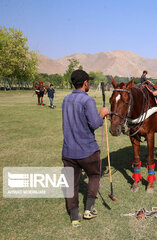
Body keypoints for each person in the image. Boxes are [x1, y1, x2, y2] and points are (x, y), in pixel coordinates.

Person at [62, 69, 110, 226]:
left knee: (71, 183)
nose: (89, 83)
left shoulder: (66, 99)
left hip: (68, 151)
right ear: (85, 83)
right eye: (88, 81)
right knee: (95, 175)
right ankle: (88, 209)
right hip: (87, 150)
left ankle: (74, 216)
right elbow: (95, 123)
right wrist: (102, 113)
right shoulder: (87, 100)